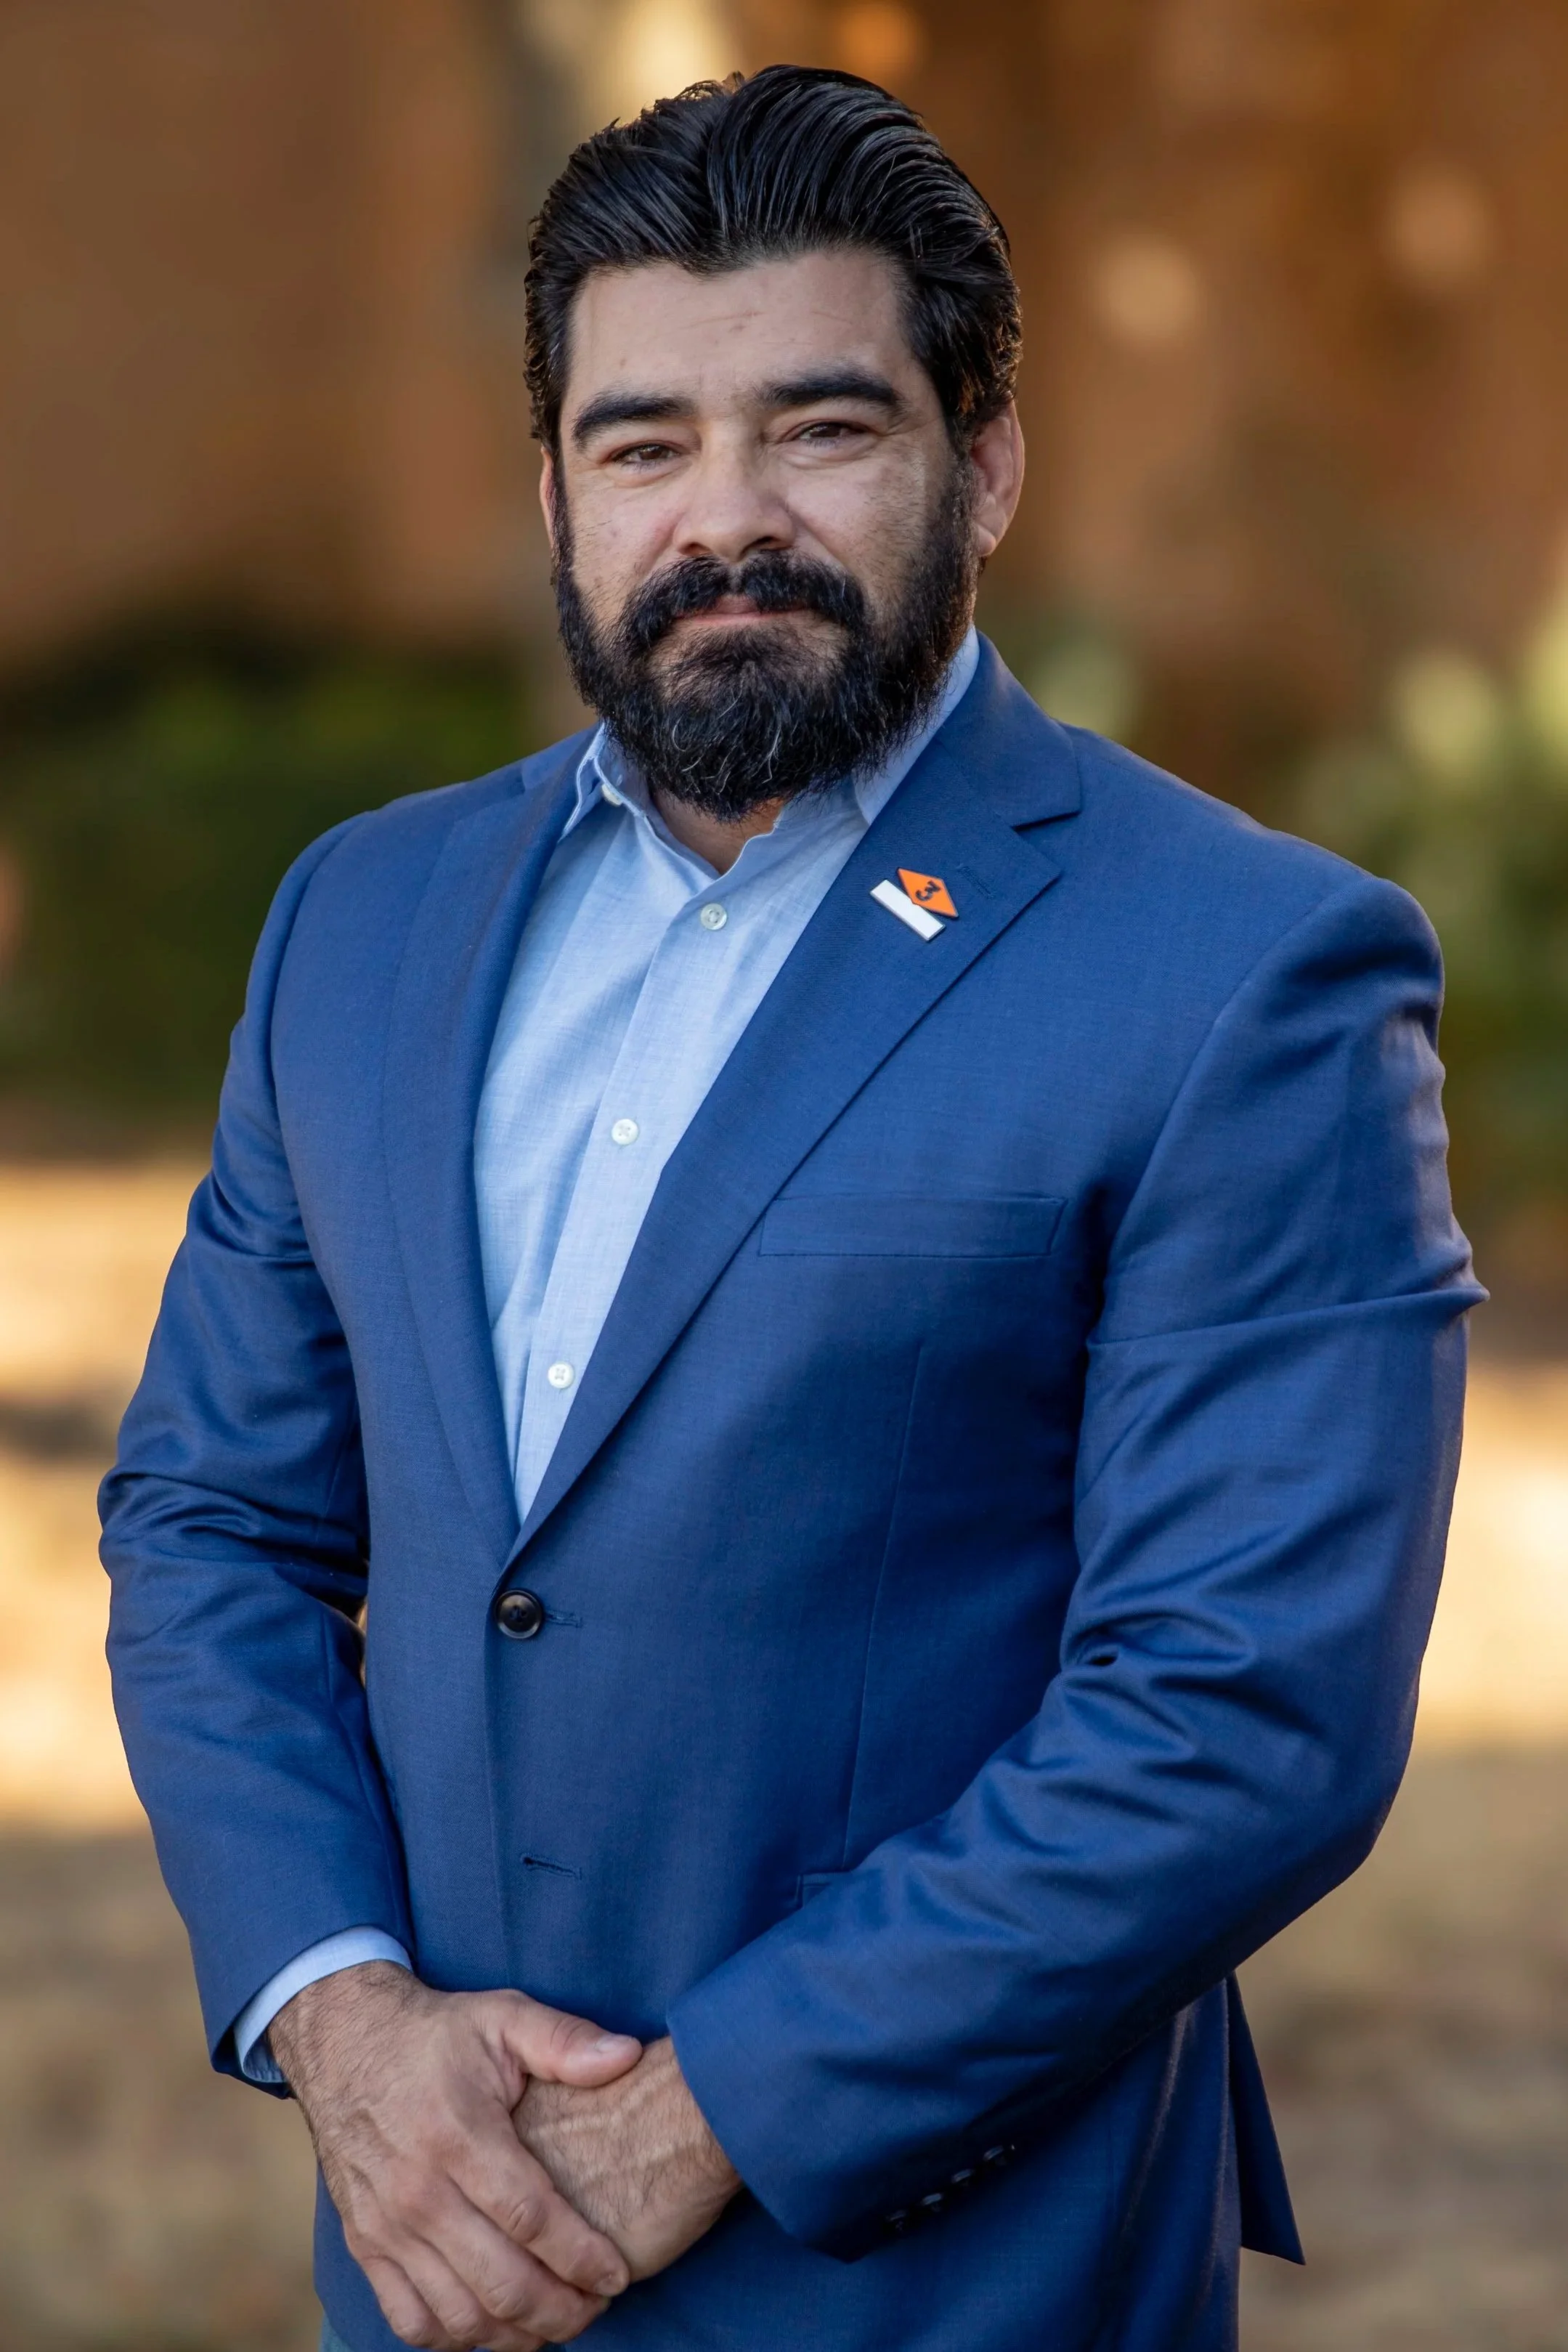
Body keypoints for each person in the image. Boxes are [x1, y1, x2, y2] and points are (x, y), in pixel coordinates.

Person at [101, 64, 1482, 2352]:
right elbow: (213, 1520)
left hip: (950, 2273)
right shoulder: (357, 917)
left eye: (820, 429)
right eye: (642, 443)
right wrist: (343, 2022)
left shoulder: (1244, 969)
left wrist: (690, 2125)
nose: (722, 519)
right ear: (553, 490)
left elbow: (1241, 1708)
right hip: (434, 2251)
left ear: (984, 462)